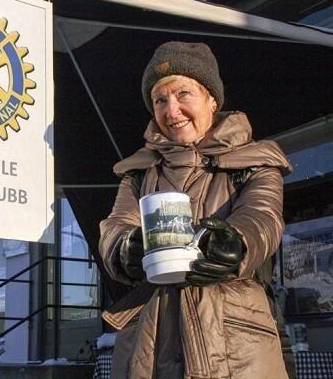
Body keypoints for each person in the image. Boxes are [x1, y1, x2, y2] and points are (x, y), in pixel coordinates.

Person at [99, 42, 292, 379]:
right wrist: (123, 247)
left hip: (233, 343)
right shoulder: (138, 174)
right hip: (148, 341)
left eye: (183, 94)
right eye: (160, 100)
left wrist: (236, 242)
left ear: (212, 100)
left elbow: (263, 218)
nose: (171, 111)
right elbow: (116, 226)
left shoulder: (255, 163)